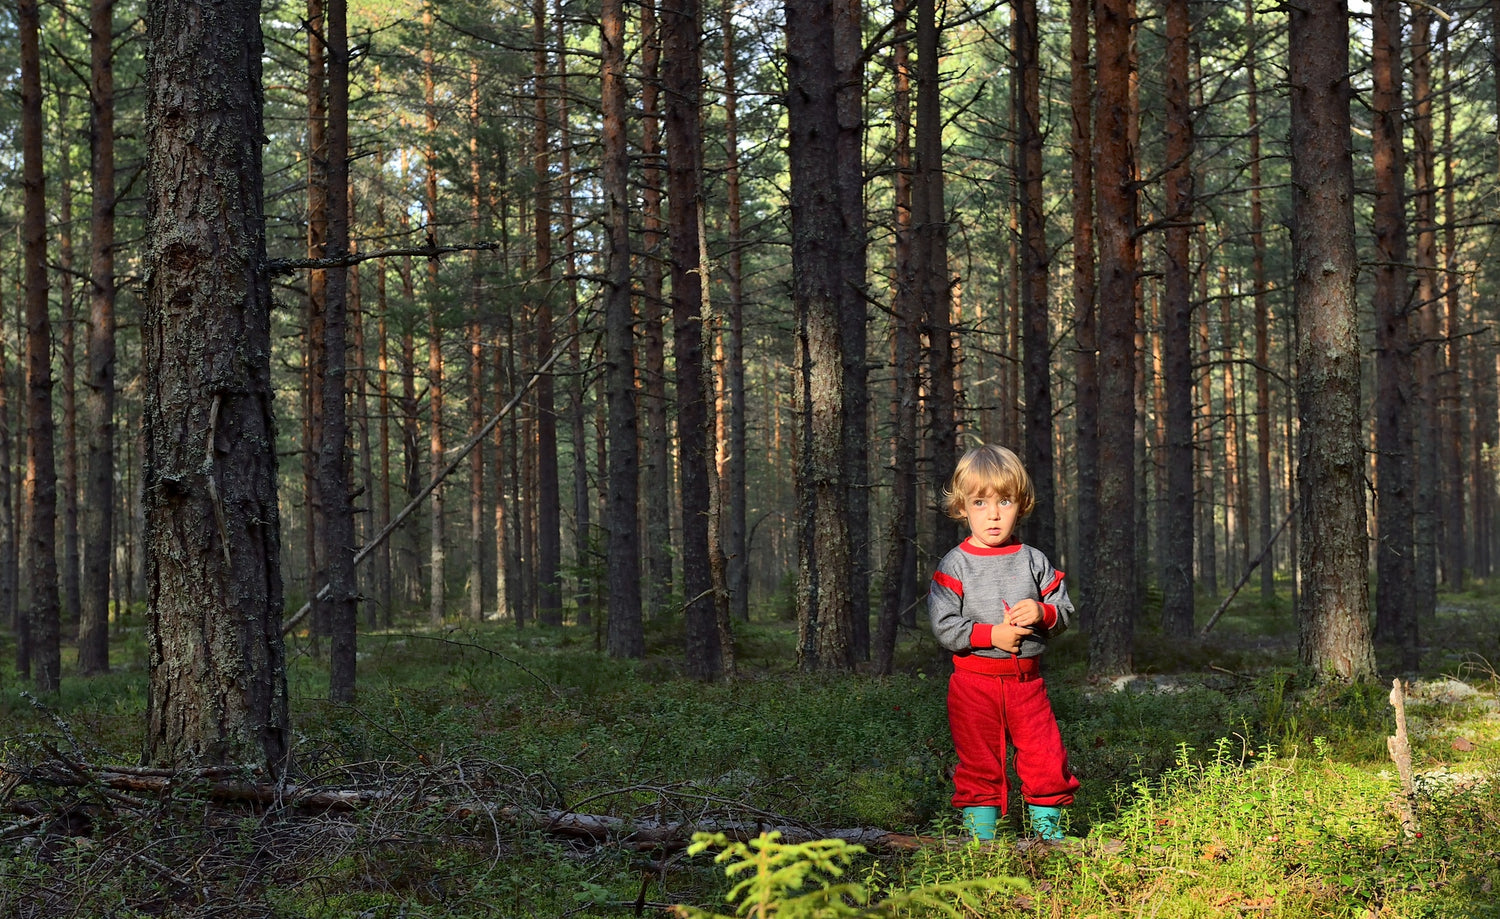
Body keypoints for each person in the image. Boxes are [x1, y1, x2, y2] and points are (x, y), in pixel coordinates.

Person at [928, 444, 1080, 841]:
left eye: (1005, 501)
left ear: (1022, 503)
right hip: (973, 684)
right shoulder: (955, 564)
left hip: (1027, 685)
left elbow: (1063, 610)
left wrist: (1041, 612)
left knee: (1046, 757)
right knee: (980, 763)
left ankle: (1050, 842)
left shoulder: (1033, 559)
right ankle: (982, 843)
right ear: (962, 507)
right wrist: (990, 635)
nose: (993, 514)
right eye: (980, 502)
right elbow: (944, 626)